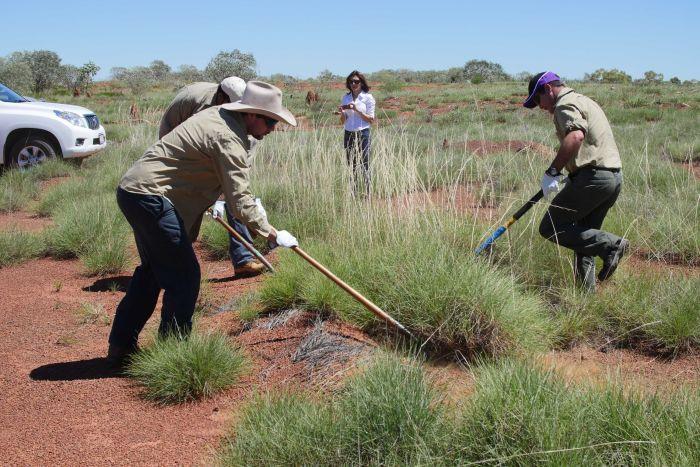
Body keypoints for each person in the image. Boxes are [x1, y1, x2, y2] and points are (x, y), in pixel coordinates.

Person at [108, 81, 298, 365]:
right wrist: (271, 233)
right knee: (184, 277)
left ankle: (121, 346)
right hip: (150, 197)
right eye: (271, 121)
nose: (272, 129)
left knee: (154, 272)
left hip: (135, 191)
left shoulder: (220, 116)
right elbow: (241, 201)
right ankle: (174, 354)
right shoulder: (228, 137)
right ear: (252, 115)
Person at [523, 71, 628, 291]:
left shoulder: (564, 104)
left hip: (593, 179)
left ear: (548, 89)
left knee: (550, 226)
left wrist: (553, 171)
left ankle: (611, 245)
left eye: (537, 99)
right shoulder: (585, 100)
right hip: (612, 178)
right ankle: (585, 296)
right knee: (584, 239)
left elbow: (576, 136)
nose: (540, 106)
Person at [159, 76, 265, 276]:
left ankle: (243, 258)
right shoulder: (199, 106)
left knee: (236, 193)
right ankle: (176, 256)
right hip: (177, 140)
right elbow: (180, 142)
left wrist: (234, 193)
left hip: (215, 145)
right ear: (221, 97)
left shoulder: (244, 115)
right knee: (188, 197)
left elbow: (239, 170)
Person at [339, 71, 375, 195]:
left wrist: (356, 109)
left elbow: (371, 119)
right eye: (351, 81)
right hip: (348, 133)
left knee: (365, 164)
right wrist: (342, 113)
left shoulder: (368, 98)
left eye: (356, 81)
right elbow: (343, 121)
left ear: (361, 82)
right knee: (351, 164)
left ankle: (367, 193)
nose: (354, 83)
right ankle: (353, 193)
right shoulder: (346, 97)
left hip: (363, 133)